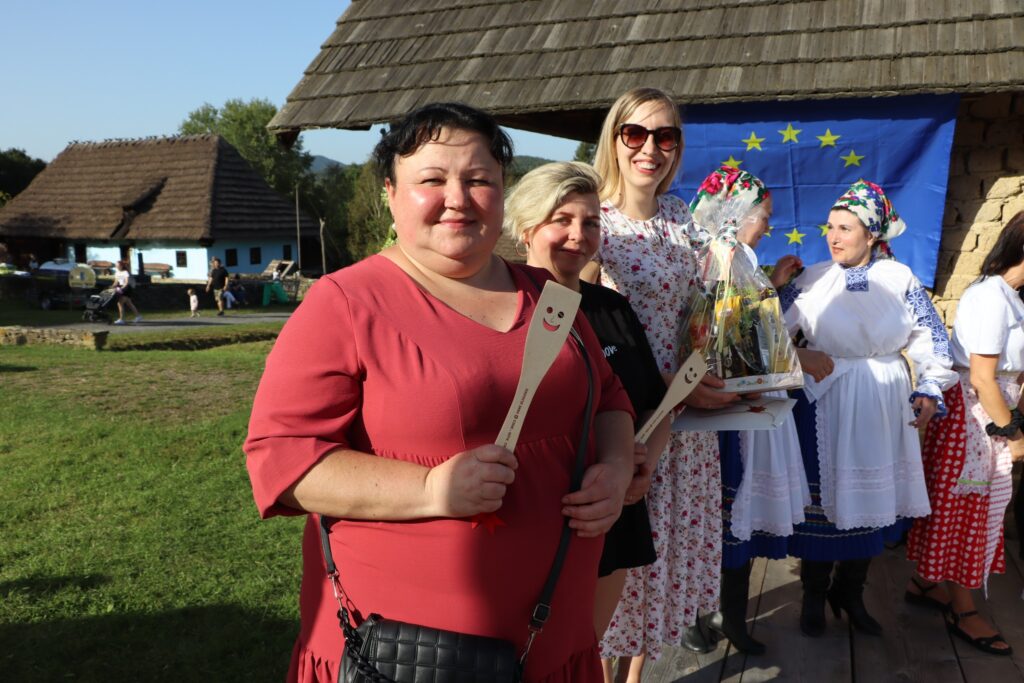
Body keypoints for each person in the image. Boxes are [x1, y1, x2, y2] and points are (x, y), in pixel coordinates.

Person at [244, 102, 636, 683]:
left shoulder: (549, 296)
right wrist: (430, 489)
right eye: (432, 180)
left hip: (554, 638)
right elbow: (282, 462)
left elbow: (609, 399)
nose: (458, 198)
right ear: (390, 194)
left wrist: (617, 467)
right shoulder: (345, 303)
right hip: (408, 654)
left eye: (479, 180)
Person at [587, 87, 740, 682]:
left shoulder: (681, 218)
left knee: (664, 560)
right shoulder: (593, 221)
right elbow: (584, 327)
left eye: (665, 136)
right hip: (624, 418)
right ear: (614, 139)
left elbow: (703, 311)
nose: (649, 148)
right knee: (618, 564)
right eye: (635, 133)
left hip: (682, 420)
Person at [503, 161, 672, 657]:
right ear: (527, 228)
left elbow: (655, 405)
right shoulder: (501, 307)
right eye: (562, 220)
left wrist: (641, 466)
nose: (579, 235)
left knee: (581, 651)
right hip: (533, 515)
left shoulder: (612, 309)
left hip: (611, 515)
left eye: (591, 222)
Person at [780, 179, 957, 637]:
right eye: (830, 227)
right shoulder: (812, 278)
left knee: (872, 500)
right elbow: (771, 331)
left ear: (872, 234)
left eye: (845, 228)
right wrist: (794, 341)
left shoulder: (900, 279)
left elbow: (931, 338)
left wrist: (930, 385)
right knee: (823, 500)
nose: (833, 237)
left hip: (880, 398)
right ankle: (814, 595)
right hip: (825, 395)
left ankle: (850, 592)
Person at [687, 166, 807, 655]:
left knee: (731, 512)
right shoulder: (716, 258)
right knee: (721, 510)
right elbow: (729, 336)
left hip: (735, 404)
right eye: (764, 217)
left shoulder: (737, 258)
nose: (768, 227)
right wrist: (796, 360)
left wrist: (771, 283)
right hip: (720, 410)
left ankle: (719, 612)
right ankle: (708, 614)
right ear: (735, 215)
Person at [905, 210, 1024, 656]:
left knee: (967, 509)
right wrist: (1014, 436)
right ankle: (963, 608)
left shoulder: (1012, 298)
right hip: (974, 420)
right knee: (966, 512)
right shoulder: (990, 297)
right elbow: (982, 378)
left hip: (991, 414)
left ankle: (927, 582)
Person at [112, 259, 141, 324]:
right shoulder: (117, 273)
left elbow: (126, 282)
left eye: (118, 265)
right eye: (116, 265)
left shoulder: (125, 272)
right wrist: (112, 287)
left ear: (121, 266)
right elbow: (116, 282)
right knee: (129, 303)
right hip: (121, 288)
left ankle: (121, 319)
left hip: (127, 288)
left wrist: (122, 288)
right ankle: (138, 316)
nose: (116, 266)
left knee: (120, 303)